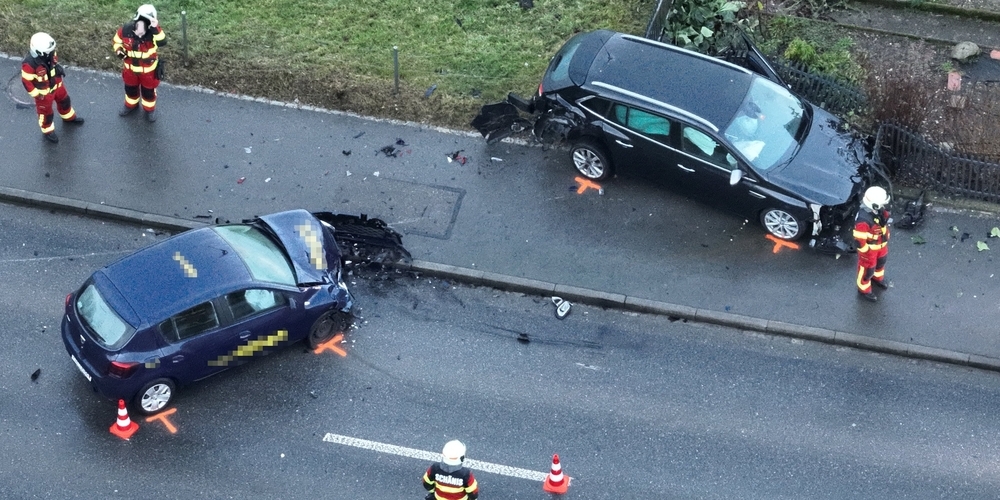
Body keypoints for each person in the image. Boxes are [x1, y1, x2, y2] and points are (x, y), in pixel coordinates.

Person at [21, 32, 84, 143]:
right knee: (46, 113)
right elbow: (26, 81)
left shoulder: (50, 53)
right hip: (44, 94)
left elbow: (53, 65)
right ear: (39, 51)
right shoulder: (29, 64)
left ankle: (68, 117)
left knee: (65, 101)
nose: (51, 52)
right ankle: (48, 130)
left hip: (57, 86)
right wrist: (36, 94)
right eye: (48, 51)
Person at [113, 4, 166, 121]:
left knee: (148, 93)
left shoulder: (153, 33)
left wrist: (155, 27)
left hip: (148, 72)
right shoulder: (125, 29)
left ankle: (149, 110)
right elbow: (117, 42)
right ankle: (130, 105)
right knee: (130, 89)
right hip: (130, 70)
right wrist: (118, 51)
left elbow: (162, 42)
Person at [854, 186, 892, 302]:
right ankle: (863, 289)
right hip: (870, 249)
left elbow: (883, 219)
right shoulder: (863, 220)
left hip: (881, 245)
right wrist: (865, 251)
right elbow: (859, 240)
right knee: (867, 269)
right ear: (874, 205)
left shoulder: (877, 211)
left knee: (881, 263)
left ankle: (877, 278)